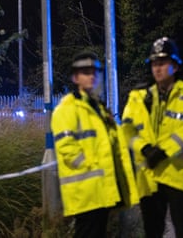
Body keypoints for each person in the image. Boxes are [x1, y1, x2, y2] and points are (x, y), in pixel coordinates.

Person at [121, 37, 183, 238]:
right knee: (152, 231)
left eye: (162, 63)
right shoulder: (138, 96)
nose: (157, 68)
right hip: (149, 176)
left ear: (175, 66)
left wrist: (164, 150)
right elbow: (126, 130)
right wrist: (144, 148)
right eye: (154, 63)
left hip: (179, 175)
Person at [51, 51, 139, 237]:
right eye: (85, 72)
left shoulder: (98, 108)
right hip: (86, 192)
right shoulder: (67, 109)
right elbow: (67, 149)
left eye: (95, 72)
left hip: (100, 191)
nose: (92, 76)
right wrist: (92, 167)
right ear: (75, 78)